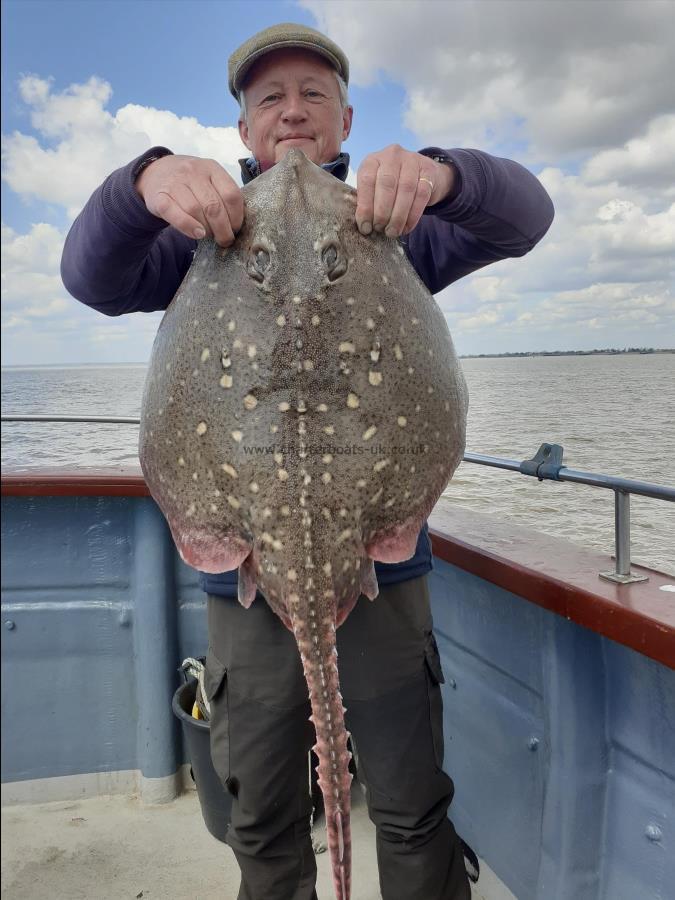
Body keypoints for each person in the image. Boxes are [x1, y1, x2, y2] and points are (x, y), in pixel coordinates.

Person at [61, 22, 554, 900]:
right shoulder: (192, 238)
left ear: (345, 118)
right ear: (244, 129)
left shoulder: (391, 226)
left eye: (313, 94)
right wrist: (141, 183)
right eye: (269, 99)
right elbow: (90, 277)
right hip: (244, 577)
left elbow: (526, 216)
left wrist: (444, 176)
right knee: (260, 809)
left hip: (383, 567)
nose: (292, 112)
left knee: (407, 800)